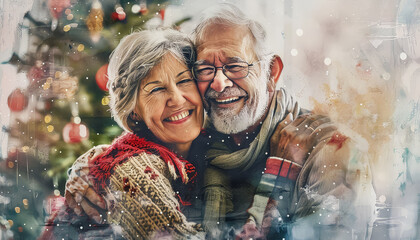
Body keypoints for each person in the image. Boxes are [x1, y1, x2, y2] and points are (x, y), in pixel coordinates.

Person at [65, 3, 376, 240]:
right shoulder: (198, 137)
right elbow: (134, 159)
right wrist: (87, 170)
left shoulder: (332, 151)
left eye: (235, 65)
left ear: (272, 73)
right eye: (204, 69)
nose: (219, 83)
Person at [43, 29, 206, 240]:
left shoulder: (210, 145)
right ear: (134, 110)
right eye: (156, 89)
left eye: (184, 81)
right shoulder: (132, 169)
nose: (177, 99)